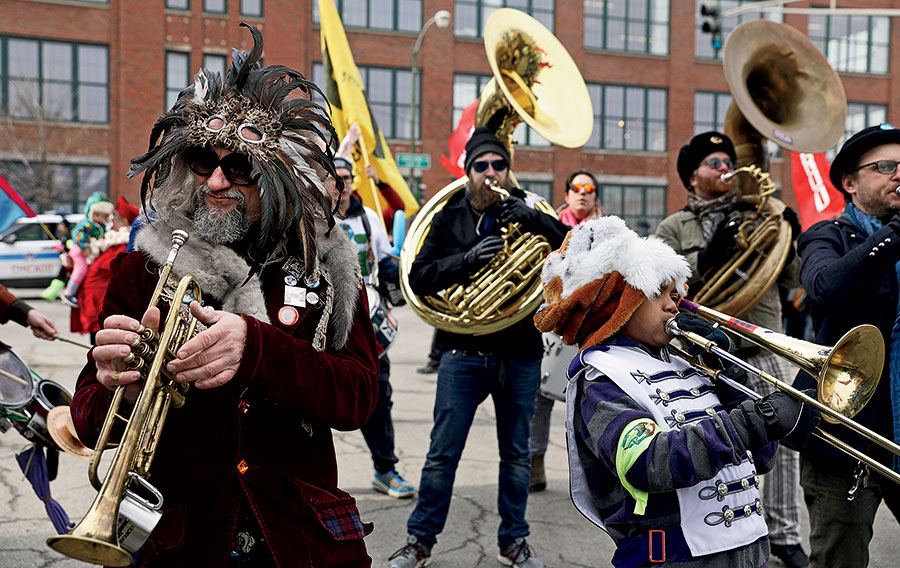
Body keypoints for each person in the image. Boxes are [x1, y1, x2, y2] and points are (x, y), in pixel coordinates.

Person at [67, 25, 379, 567]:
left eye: (238, 167)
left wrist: (259, 348)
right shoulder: (142, 264)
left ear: (280, 175)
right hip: (183, 538)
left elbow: (358, 398)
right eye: (201, 164)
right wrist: (113, 376)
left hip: (296, 537)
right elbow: (91, 416)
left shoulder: (326, 266)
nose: (215, 181)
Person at [534, 216, 817, 568]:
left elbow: (761, 460)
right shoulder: (602, 378)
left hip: (748, 551)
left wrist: (728, 380)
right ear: (619, 303)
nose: (675, 305)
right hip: (675, 557)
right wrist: (752, 419)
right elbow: (648, 463)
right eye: (660, 294)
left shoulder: (687, 364)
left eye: (675, 295)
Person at [388, 127, 568, 568]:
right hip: (462, 352)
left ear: (509, 170)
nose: (490, 173)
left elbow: (575, 247)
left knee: (517, 456)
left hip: (520, 352)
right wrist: (467, 260)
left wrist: (536, 220)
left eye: (498, 165)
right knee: (442, 453)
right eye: (481, 166)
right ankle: (420, 540)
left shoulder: (528, 210)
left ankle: (514, 542)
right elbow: (418, 276)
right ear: (468, 172)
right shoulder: (448, 216)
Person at [655, 131, 808, 568]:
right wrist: (708, 258)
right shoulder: (672, 227)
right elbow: (666, 293)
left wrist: (791, 236)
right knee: (721, 443)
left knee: (784, 445)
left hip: (763, 346)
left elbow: (794, 279)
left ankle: (785, 537)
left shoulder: (761, 216)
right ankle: (728, 531)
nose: (726, 167)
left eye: (728, 159)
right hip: (704, 357)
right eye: (714, 162)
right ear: (692, 177)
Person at [796, 122, 900, 568]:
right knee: (841, 559)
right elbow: (824, 288)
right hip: (846, 432)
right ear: (850, 183)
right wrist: (895, 235)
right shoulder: (827, 236)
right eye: (886, 167)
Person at [334, 155, 415, 500]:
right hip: (328, 323)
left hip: (370, 325)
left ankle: (385, 469)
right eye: (334, 178)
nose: (342, 185)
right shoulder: (312, 218)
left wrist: (397, 273)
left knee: (379, 397)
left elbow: (382, 260)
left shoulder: (367, 217)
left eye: (346, 178)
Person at [529, 168, 605, 492]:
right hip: (552, 324)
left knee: (591, 401)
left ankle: (593, 470)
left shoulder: (607, 232)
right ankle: (535, 465)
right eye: (576, 187)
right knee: (540, 398)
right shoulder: (549, 228)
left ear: (595, 195)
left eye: (589, 188)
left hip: (590, 325)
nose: (582, 193)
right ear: (566, 195)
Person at [70, 196, 140, 343]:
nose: (111, 220)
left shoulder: (122, 246)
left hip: (102, 309)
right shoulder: (109, 242)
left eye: (115, 216)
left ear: (124, 221)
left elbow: (106, 271)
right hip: (94, 306)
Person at [60, 192, 114, 308]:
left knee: (84, 270)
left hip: (85, 251)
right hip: (79, 250)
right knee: (81, 269)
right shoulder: (88, 224)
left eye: (104, 216)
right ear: (90, 213)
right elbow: (77, 233)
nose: (100, 219)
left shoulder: (102, 226)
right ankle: (69, 293)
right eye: (97, 215)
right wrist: (84, 247)